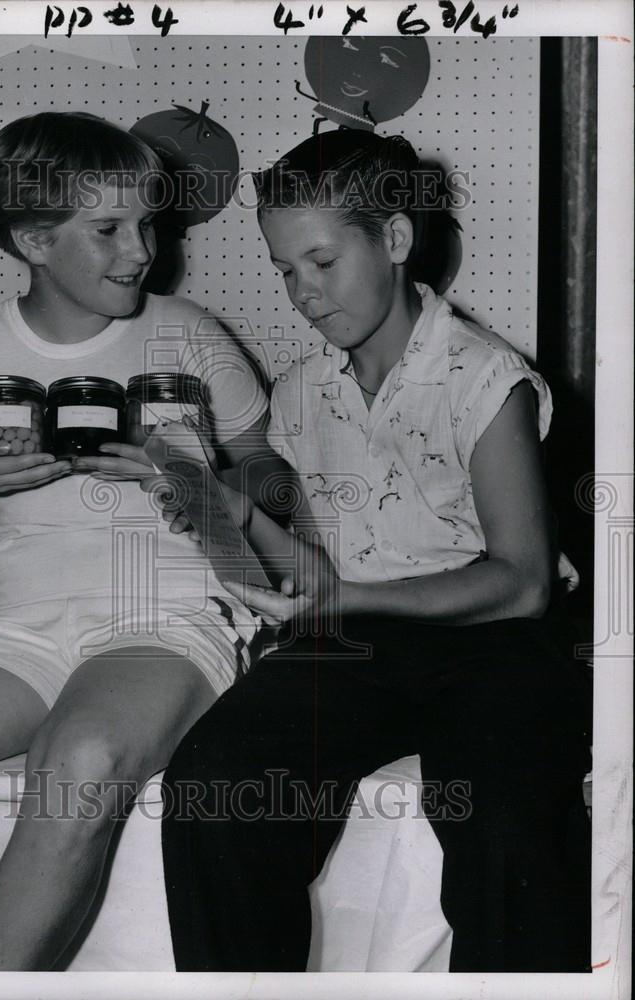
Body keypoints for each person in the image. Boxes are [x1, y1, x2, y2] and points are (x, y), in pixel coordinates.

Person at [0, 111, 286, 971]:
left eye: (147, 222)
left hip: (166, 618)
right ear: (33, 239)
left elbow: (273, 474)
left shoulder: (190, 334)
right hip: (17, 626)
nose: (141, 251)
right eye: (109, 229)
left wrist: (201, 488)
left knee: (81, 759)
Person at [159, 128, 592, 973]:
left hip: (496, 641)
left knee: (507, 827)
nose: (301, 294)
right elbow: (317, 570)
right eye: (285, 271)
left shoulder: (483, 378)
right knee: (211, 791)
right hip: (357, 640)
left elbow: (521, 583)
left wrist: (343, 601)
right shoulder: (299, 390)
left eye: (320, 262)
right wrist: (224, 512)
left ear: (394, 239)